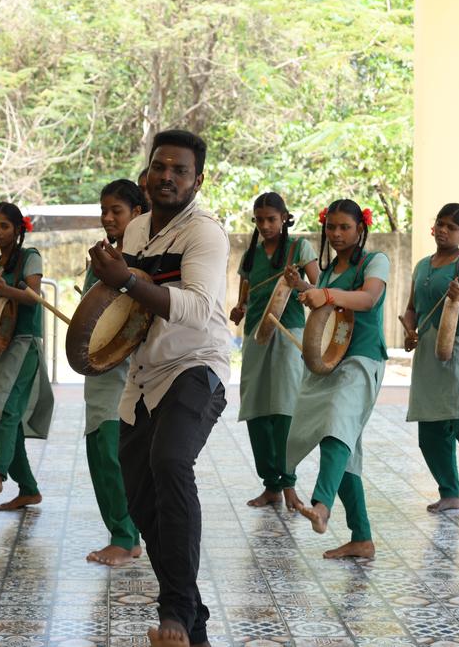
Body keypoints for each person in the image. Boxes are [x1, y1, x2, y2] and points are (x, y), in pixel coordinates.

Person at [88, 129, 230, 647]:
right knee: (139, 494)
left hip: (197, 366)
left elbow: (194, 309)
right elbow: (127, 310)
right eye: (159, 167)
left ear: (197, 179)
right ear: (147, 172)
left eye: (180, 170)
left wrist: (126, 279)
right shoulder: (138, 227)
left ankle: (174, 609)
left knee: (171, 462)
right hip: (145, 375)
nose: (166, 177)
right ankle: (192, 621)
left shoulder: (206, 234)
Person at [285, 199, 387, 560]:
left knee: (335, 427)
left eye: (345, 227)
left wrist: (325, 294)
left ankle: (322, 505)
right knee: (347, 448)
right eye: (332, 227)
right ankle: (362, 538)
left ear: (360, 228)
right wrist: (304, 287)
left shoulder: (376, 262)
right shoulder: (326, 273)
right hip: (328, 362)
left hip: (362, 358)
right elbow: (324, 311)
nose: (337, 234)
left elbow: (368, 298)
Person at [401, 203, 459, 515]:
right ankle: (449, 493)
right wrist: (410, 330)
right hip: (429, 352)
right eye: (440, 224)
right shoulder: (422, 266)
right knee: (430, 428)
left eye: (451, 227)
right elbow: (413, 307)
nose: (443, 231)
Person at [229, 192, 318, 509]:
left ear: (284, 219)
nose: (265, 225)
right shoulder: (250, 255)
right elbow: (244, 296)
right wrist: (239, 310)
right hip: (256, 335)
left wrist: (299, 285)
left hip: (288, 332)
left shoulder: (299, 248)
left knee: (283, 408)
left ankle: (289, 482)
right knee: (256, 407)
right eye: (260, 220)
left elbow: (318, 290)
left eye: (271, 219)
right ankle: (271, 485)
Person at [0, 203, 54, 512]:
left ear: (19, 230)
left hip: (23, 345)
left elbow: (34, 298)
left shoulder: (30, 258)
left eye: (5, 226)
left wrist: (9, 290)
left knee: (5, 409)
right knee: (7, 417)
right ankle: (29, 489)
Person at [83, 179, 145, 567]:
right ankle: (119, 533)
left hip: (128, 373)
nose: (107, 218)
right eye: (103, 210)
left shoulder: (143, 259)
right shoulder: (103, 258)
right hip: (98, 373)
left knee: (111, 452)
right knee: (98, 451)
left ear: (137, 214)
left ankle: (126, 536)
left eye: (116, 211)